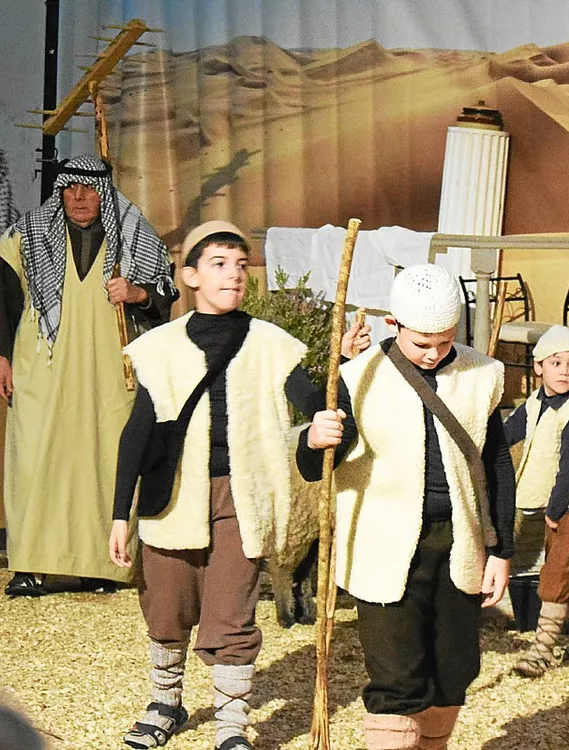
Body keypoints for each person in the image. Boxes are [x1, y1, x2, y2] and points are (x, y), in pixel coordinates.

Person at [109, 221, 328, 750]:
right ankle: (166, 703)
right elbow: (137, 433)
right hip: (172, 497)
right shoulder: (159, 347)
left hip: (243, 496)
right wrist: (120, 513)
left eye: (241, 265)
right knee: (166, 606)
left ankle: (232, 723)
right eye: (219, 264)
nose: (234, 274)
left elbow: (318, 404)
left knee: (232, 612)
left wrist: (327, 412)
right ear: (190, 276)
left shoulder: (272, 344)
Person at [302, 263, 516, 750]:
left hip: (458, 543)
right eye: (422, 343)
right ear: (393, 324)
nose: (435, 353)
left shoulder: (482, 374)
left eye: (445, 340)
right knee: (397, 681)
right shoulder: (356, 378)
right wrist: (314, 441)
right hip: (382, 547)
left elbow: (496, 464)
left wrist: (501, 549)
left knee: (453, 673)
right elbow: (315, 469)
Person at [2, 155, 176, 597]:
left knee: (106, 459)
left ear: (105, 192)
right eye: (70, 188)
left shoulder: (133, 233)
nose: (78, 197)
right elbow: (1, 296)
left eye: (89, 189)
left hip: (109, 372)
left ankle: (103, 565)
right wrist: (1, 355)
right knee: (36, 459)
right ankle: (31, 564)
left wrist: (136, 293)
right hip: (42, 369)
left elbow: (165, 293)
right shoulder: (29, 233)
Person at [504, 324, 569, 678]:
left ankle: (542, 650)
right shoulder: (536, 403)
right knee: (562, 572)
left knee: (557, 574)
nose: (564, 371)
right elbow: (510, 432)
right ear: (539, 367)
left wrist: (556, 508)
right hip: (559, 504)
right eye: (556, 363)